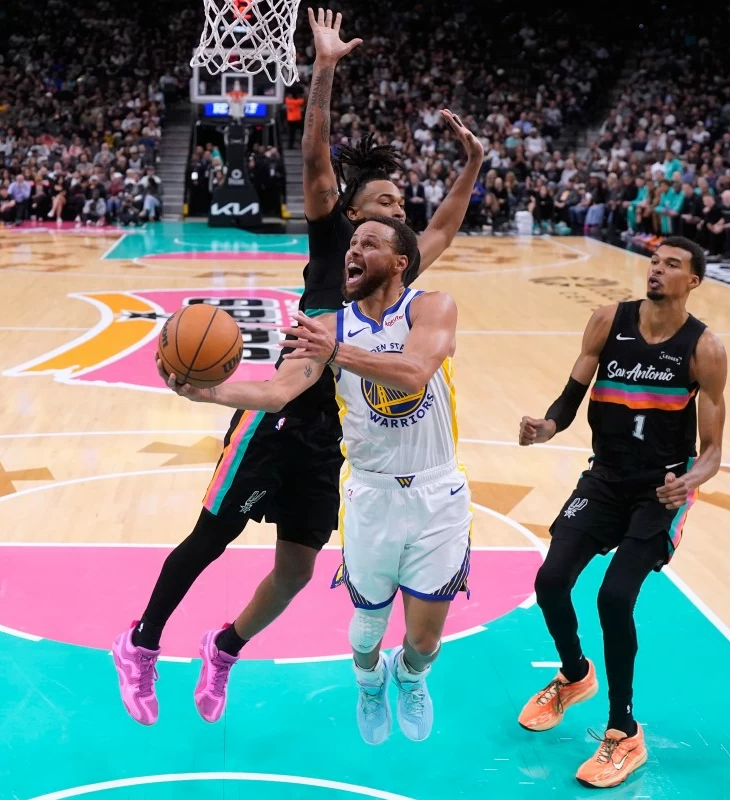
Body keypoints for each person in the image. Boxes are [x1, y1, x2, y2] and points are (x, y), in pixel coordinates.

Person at [110, 7, 483, 727]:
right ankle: (141, 641)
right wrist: (325, 68)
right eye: (383, 203)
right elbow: (315, 157)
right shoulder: (335, 241)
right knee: (211, 538)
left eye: (399, 210)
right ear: (350, 212)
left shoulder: (397, 267)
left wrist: (472, 164)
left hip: (335, 433)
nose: (396, 212)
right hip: (278, 414)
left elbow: (439, 227)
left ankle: (223, 647)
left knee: (298, 567)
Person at [160, 216, 468, 745]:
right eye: (351, 242)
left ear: (400, 263)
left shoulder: (431, 306)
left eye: (369, 243)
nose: (353, 250)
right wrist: (205, 394)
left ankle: (411, 677)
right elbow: (277, 393)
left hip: (438, 493)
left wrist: (334, 353)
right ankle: (369, 682)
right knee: (369, 628)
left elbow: (415, 371)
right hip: (372, 494)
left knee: (423, 637)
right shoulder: (330, 329)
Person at [516, 236, 727, 789]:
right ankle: (574, 674)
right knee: (551, 579)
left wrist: (690, 481)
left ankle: (623, 731)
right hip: (605, 479)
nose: (657, 270)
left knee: (614, 597)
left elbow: (712, 451)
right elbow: (572, 393)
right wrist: (547, 426)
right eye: (654, 262)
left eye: (672, 265)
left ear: (694, 281)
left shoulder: (704, 348)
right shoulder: (608, 320)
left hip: (658, 492)